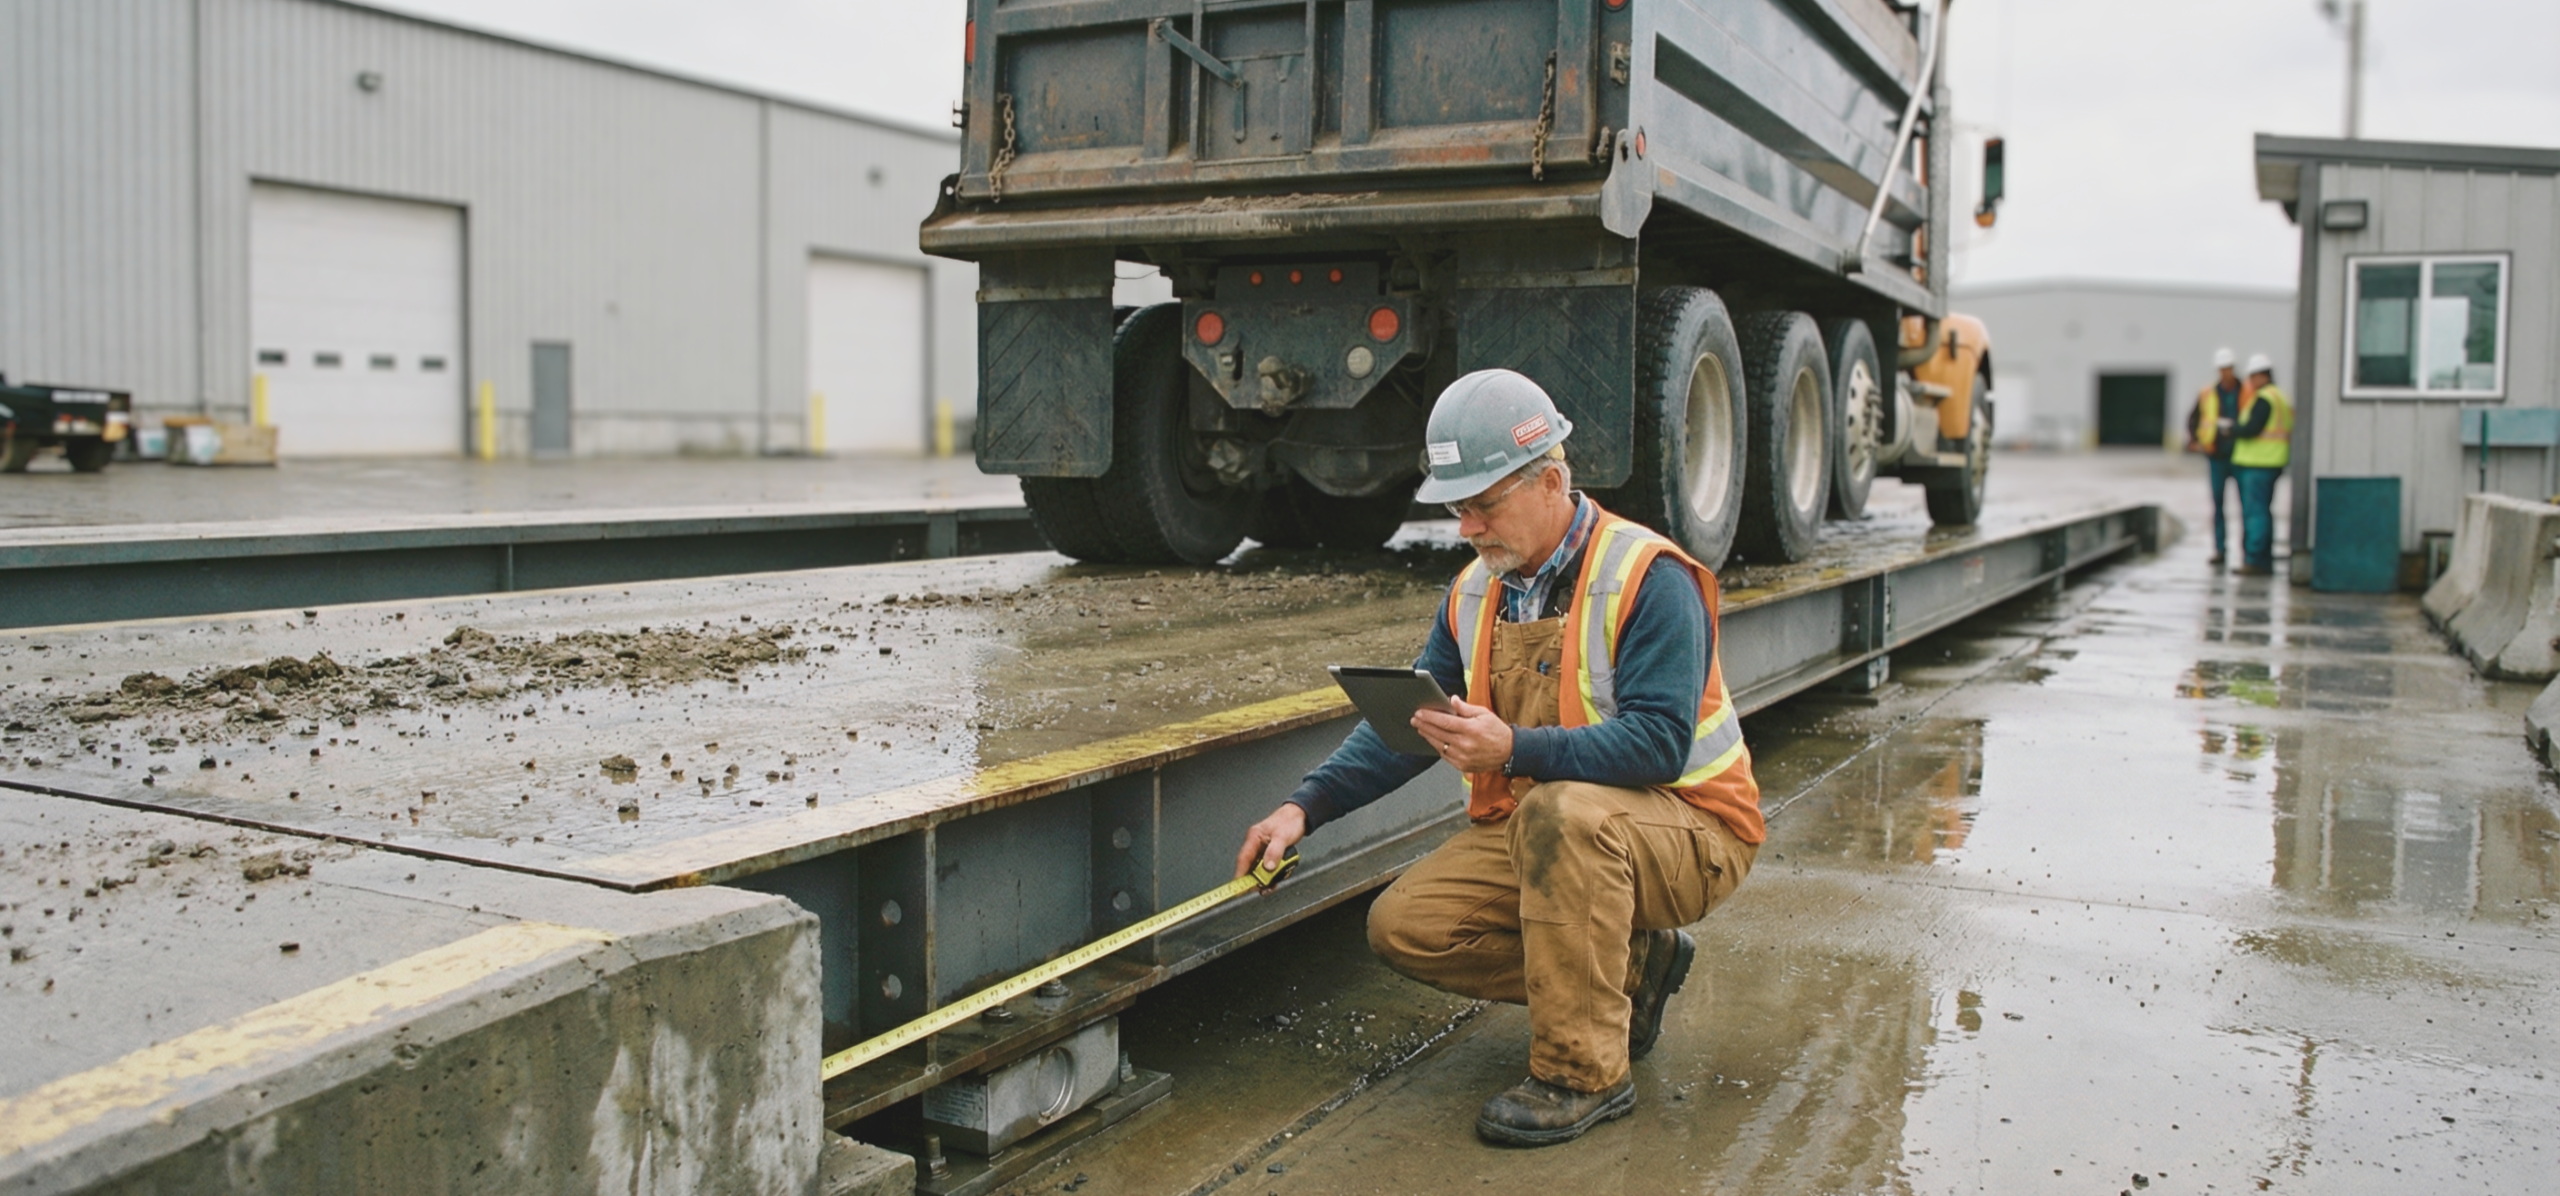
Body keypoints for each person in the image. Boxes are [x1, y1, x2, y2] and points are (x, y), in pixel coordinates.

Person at [1231, 369, 1761, 1147]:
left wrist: (1515, 747)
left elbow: (1658, 742)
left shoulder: (1649, 578)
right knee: (1409, 927)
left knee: (1561, 808)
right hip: (1559, 835)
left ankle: (1582, 1073)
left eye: (1485, 503)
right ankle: (1630, 975)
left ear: (1552, 480)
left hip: (1693, 834)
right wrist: (1301, 806)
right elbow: (1410, 724)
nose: (1468, 527)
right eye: (1457, 506)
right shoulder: (1476, 592)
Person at [2230, 352, 2294, 576]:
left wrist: (2232, 429)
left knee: (2255, 513)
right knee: (2264, 512)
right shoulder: (2280, 397)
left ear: (2260, 376)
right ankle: (2263, 559)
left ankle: (2255, 559)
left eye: (2251, 377)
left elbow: (2251, 429)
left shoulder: (2264, 399)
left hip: (2258, 463)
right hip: (2272, 462)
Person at [2185, 347, 2244, 567]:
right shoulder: (2209, 393)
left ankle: (2246, 553)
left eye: (2228, 369)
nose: (2225, 373)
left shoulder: (2245, 391)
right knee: (2218, 505)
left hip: (2241, 456)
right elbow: (2194, 417)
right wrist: (2194, 440)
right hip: (2217, 455)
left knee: (2245, 506)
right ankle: (2220, 549)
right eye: (2222, 369)